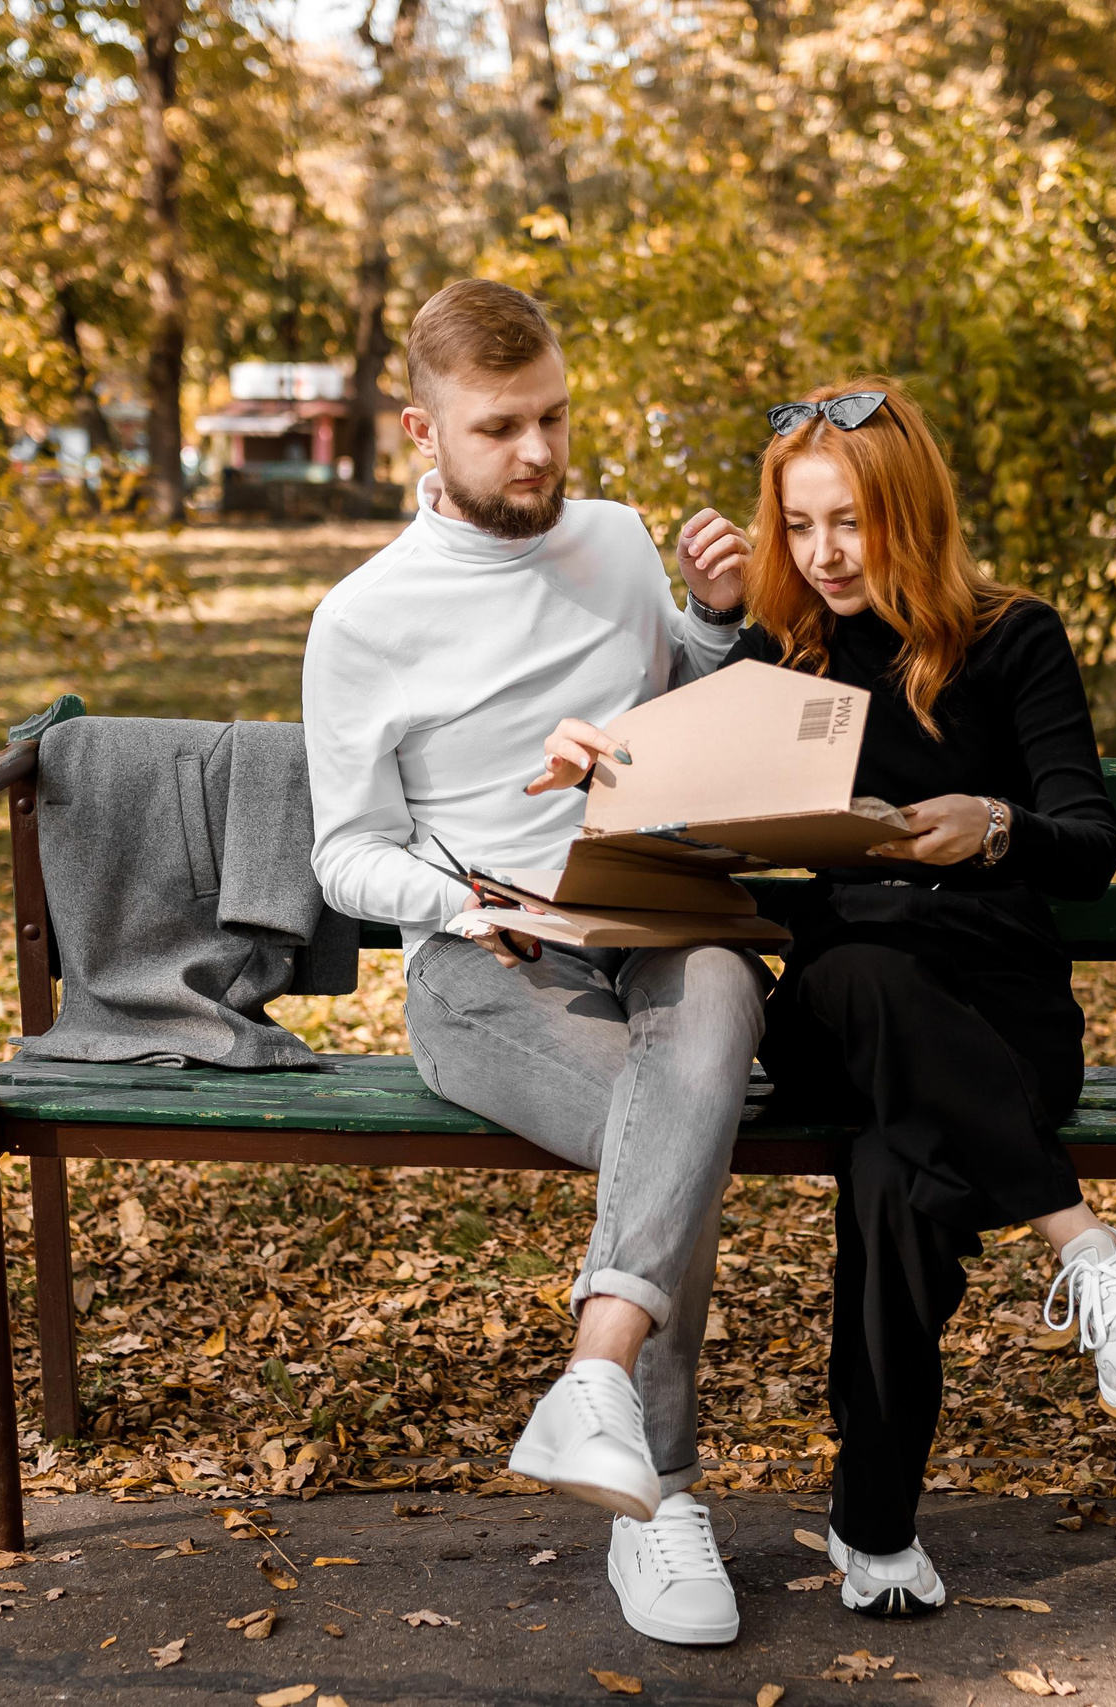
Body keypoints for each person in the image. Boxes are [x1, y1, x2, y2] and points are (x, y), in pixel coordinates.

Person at [302, 280, 760, 1646]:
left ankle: (596, 1378)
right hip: (480, 961)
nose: (538, 452)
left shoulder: (619, 542)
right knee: (679, 1112)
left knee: (726, 984)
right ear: (420, 432)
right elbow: (345, 850)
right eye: (499, 426)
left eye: (553, 415)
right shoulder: (365, 615)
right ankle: (661, 1499)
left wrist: (717, 620)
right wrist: (453, 904)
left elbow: (678, 695)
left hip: (646, 912)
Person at [722, 379, 1116, 1618]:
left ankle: (872, 1530)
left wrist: (993, 826)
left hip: (998, 1019)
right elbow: (696, 811)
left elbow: (1087, 844)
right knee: (865, 970)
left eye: (850, 523)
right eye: (801, 525)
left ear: (911, 512)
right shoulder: (780, 651)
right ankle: (1084, 1247)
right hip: (838, 1009)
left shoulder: (1014, 636)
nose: (824, 555)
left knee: (897, 1182)